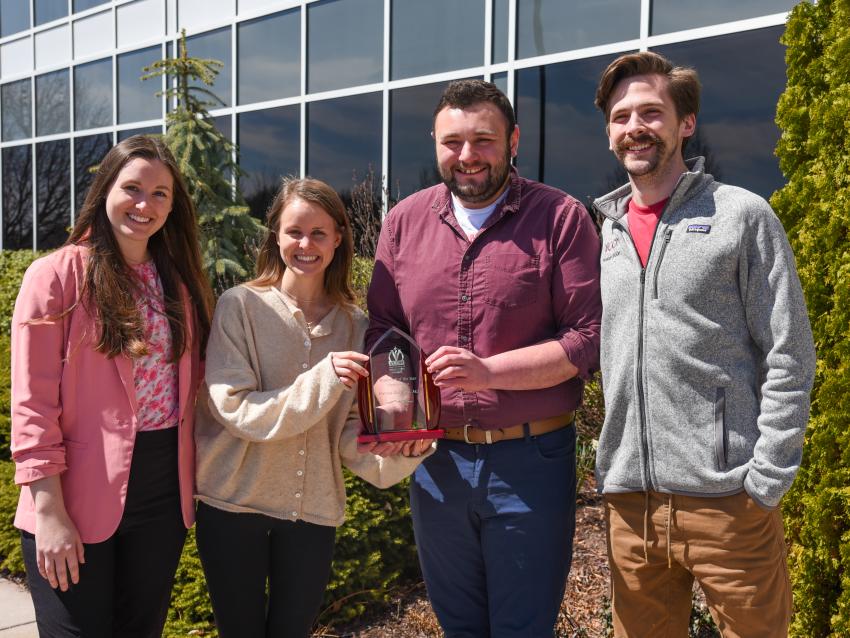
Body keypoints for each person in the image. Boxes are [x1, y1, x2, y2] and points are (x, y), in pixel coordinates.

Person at [592, 51, 816, 637]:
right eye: (620, 116)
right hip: (630, 506)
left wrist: (764, 479)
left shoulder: (742, 217)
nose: (634, 127)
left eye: (650, 112)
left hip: (727, 503)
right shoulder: (605, 232)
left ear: (685, 123)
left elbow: (789, 353)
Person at [367, 79, 602, 636]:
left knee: (523, 626)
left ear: (513, 140)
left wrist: (489, 372)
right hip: (436, 462)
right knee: (460, 625)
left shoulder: (560, 218)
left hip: (531, 459)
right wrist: (393, 395)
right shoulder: (404, 221)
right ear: (435, 143)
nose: (467, 156)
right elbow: (384, 328)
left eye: (484, 140)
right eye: (452, 142)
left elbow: (587, 337)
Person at [193, 177, 431, 638]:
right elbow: (236, 410)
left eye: (319, 233)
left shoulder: (354, 324)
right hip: (233, 506)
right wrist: (323, 378)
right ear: (276, 235)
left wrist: (406, 448)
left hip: (312, 513)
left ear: (338, 238)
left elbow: (344, 434)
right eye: (294, 231)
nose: (306, 244)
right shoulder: (239, 306)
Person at [10, 134, 214, 637]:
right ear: (105, 190)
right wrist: (49, 510)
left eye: (161, 193)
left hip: (163, 489)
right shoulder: (54, 276)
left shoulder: (179, 284)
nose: (145, 204)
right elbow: (32, 404)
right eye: (133, 188)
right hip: (76, 490)